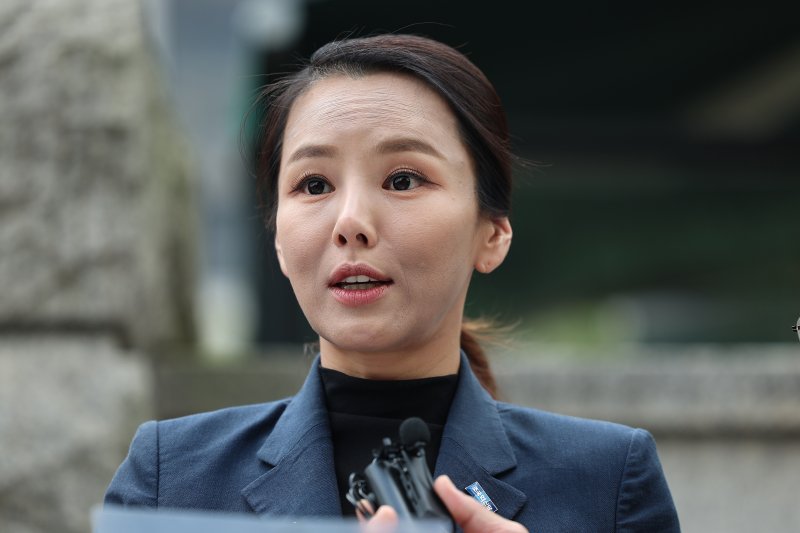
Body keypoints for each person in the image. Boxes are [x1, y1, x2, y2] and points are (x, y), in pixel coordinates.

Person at [105, 34, 680, 532]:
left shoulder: (607, 480)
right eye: (313, 185)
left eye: (403, 179)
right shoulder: (170, 476)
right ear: (278, 241)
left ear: (492, 233)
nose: (350, 222)